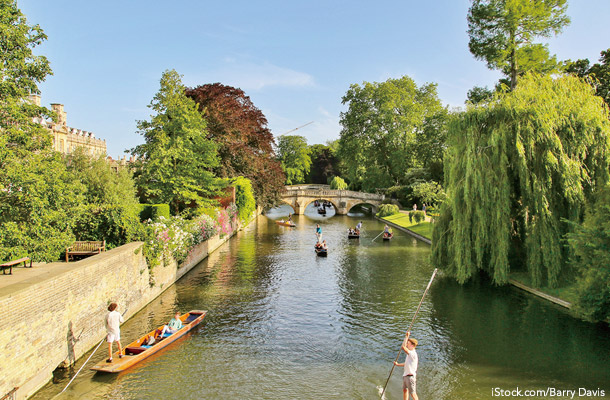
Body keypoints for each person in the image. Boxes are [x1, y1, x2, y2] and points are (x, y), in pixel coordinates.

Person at [393, 331, 419, 400]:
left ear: (412, 346)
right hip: (405, 376)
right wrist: (398, 364)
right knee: (405, 390)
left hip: (410, 377)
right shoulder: (410, 354)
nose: (407, 345)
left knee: (413, 393)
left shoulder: (413, 354)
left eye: (408, 344)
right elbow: (406, 364)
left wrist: (407, 336)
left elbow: (403, 347)